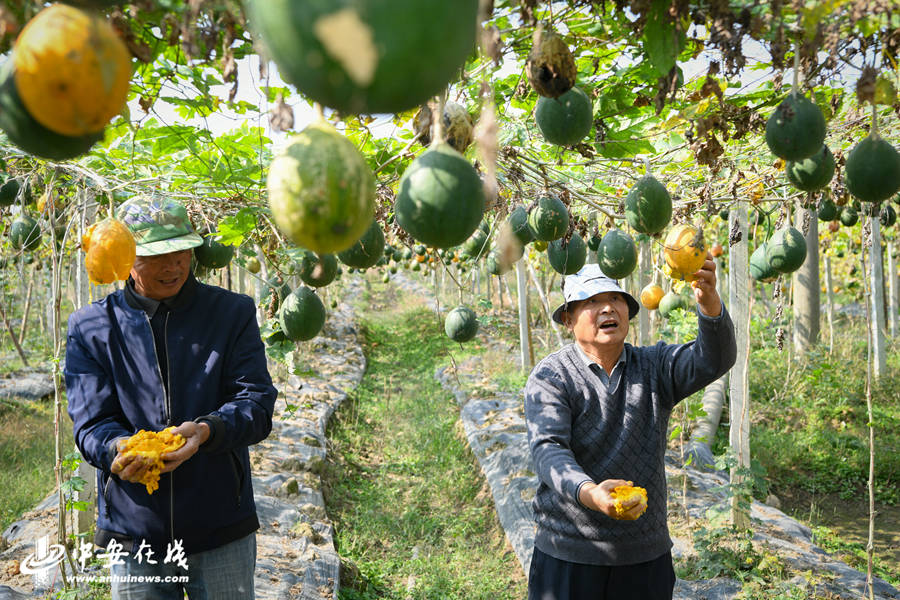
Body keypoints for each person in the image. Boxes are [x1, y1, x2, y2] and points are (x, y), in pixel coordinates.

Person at [65, 196, 277, 599]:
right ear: (126, 258)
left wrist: (205, 431)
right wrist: (117, 448)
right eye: (155, 256)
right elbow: (91, 422)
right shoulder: (92, 327)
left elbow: (256, 403)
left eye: (181, 251)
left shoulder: (231, 313)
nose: (173, 265)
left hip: (219, 524)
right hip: (135, 532)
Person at [524, 259, 736, 600]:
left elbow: (714, 360)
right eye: (592, 301)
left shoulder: (655, 367)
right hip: (569, 549)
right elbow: (549, 450)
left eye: (615, 298)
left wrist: (709, 302)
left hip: (643, 553)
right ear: (568, 318)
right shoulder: (552, 377)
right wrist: (590, 493)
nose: (607, 307)